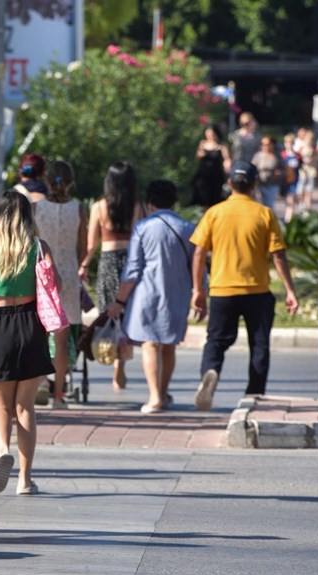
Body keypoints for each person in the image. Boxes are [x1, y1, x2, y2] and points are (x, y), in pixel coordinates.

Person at [189, 161, 299, 411]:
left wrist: (198, 290)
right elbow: (278, 254)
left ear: (230, 185)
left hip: (222, 290)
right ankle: (254, 394)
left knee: (216, 341)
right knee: (259, 344)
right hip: (257, 291)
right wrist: (290, 290)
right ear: (254, 185)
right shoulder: (264, 214)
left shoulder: (214, 213)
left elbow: (198, 253)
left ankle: (210, 372)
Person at [0, 189, 56, 495]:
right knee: (26, 407)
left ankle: (2, 450)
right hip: (31, 324)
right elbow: (51, 285)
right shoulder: (38, 246)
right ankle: (25, 479)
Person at [106, 180, 196, 414]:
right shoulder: (188, 228)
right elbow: (196, 266)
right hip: (177, 293)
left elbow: (133, 268)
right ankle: (163, 393)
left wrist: (119, 300)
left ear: (149, 203)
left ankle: (155, 397)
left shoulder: (143, 228)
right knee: (169, 345)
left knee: (150, 344)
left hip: (148, 294)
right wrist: (199, 293)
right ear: (174, 201)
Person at [79, 161, 143, 390]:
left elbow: (91, 244)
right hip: (129, 262)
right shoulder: (137, 207)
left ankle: (113, 355)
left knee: (110, 313)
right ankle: (120, 364)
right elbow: (139, 240)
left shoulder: (98, 207)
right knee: (126, 316)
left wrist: (84, 265)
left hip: (108, 263)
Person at [33, 160, 86, 408]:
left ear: (47, 180)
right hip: (68, 274)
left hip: (42, 272)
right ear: (70, 182)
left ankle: (41, 382)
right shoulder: (78, 209)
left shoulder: (36, 208)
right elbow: (84, 247)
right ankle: (58, 395)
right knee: (63, 339)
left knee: (40, 334)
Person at [190, 125, 230, 208]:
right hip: (204, 175)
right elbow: (197, 157)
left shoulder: (222, 146)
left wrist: (227, 166)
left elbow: (226, 158)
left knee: (216, 196)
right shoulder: (203, 144)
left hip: (216, 175)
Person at [251, 136, 283, 212]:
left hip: (272, 184)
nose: (265, 146)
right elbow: (252, 168)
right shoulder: (258, 156)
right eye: (263, 144)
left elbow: (283, 169)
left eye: (267, 144)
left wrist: (279, 173)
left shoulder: (277, 156)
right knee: (259, 204)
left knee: (269, 205)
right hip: (259, 183)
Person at [279, 133, 303, 222]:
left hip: (294, 181)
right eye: (287, 143)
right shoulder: (282, 155)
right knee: (287, 201)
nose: (289, 145)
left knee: (291, 200)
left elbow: (301, 166)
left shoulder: (297, 156)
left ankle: (288, 219)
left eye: (291, 143)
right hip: (285, 181)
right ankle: (289, 216)